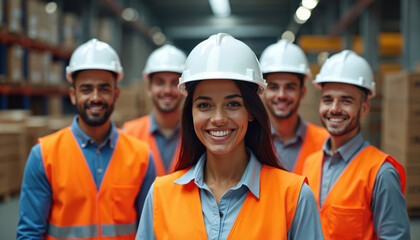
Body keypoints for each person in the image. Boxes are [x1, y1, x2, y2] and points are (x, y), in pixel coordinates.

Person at [136, 33, 324, 239]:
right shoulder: (160, 196)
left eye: (233, 104)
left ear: (251, 111)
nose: (218, 118)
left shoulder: (294, 198)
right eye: (204, 105)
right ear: (191, 113)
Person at [17, 39, 156, 240]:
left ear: (116, 94)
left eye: (104, 89)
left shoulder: (141, 156)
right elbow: (29, 233)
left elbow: (148, 231)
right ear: (73, 95)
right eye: (86, 89)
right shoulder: (44, 155)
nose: (95, 97)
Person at [302, 50, 410, 239]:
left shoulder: (381, 173)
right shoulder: (310, 163)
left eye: (346, 101)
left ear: (364, 108)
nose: (334, 109)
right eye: (328, 100)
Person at [259, 39, 328, 174]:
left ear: (302, 92)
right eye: (273, 87)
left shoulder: (325, 142)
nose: (281, 95)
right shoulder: (249, 140)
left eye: (290, 87)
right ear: (263, 92)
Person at [123, 44, 186, 176]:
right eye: (160, 82)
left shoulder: (197, 135)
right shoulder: (128, 134)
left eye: (175, 83)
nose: (167, 90)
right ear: (149, 89)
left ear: (184, 89)